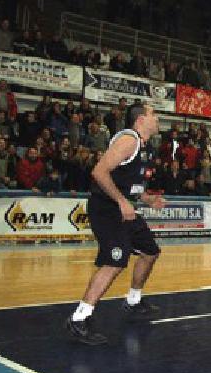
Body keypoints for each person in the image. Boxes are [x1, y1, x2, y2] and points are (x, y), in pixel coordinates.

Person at [65, 104, 166, 345]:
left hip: (123, 209)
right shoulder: (129, 140)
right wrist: (121, 201)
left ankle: (133, 301)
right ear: (141, 119)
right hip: (106, 209)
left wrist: (147, 198)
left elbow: (129, 185)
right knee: (115, 260)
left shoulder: (144, 147)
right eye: (154, 113)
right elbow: (99, 172)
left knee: (150, 251)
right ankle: (80, 318)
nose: (158, 117)